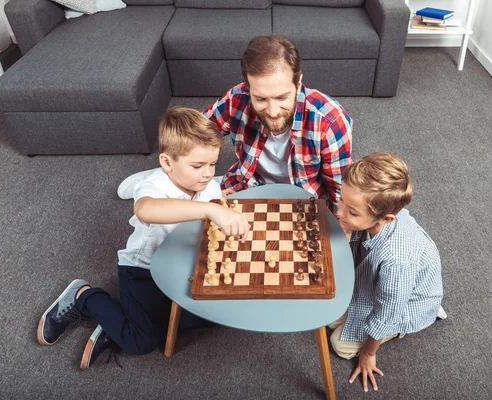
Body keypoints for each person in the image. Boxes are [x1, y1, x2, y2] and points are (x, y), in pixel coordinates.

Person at [36, 107, 250, 368]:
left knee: (215, 313)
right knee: (141, 343)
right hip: (142, 271)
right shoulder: (154, 186)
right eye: (197, 166)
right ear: (167, 162)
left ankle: (118, 320)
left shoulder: (209, 186)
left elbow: (216, 208)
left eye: (213, 164)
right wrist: (209, 208)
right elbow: (146, 210)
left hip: (183, 266)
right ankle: (83, 295)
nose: (207, 173)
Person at [118, 34, 353, 213]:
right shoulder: (237, 99)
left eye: (282, 97)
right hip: (246, 186)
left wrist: (336, 230)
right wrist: (171, 171)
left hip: (303, 200)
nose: (272, 112)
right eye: (260, 98)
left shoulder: (330, 121)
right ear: (247, 87)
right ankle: (162, 176)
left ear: (299, 81)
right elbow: (191, 135)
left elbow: (339, 188)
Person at [331, 152, 444, 392]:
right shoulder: (376, 216)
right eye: (341, 200)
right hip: (375, 284)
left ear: (387, 218)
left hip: (407, 305)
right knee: (329, 314)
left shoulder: (398, 261)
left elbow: (387, 312)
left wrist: (369, 353)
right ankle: (353, 312)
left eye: (352, 212)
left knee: (338, 345)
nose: (340, 211)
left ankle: (393, 334)